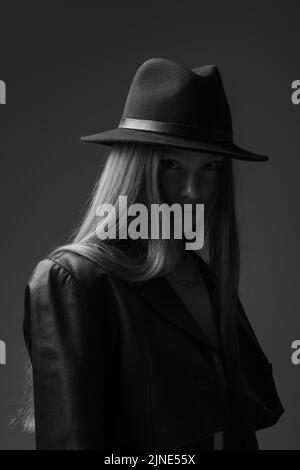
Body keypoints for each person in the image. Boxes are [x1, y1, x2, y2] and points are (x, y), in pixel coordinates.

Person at [23, 58, 284, 450]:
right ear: (134, 168)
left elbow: (252, 409)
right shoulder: (72, 278)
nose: (194, 190)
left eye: (210, 166)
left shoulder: (201, 273)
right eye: (172, 164)